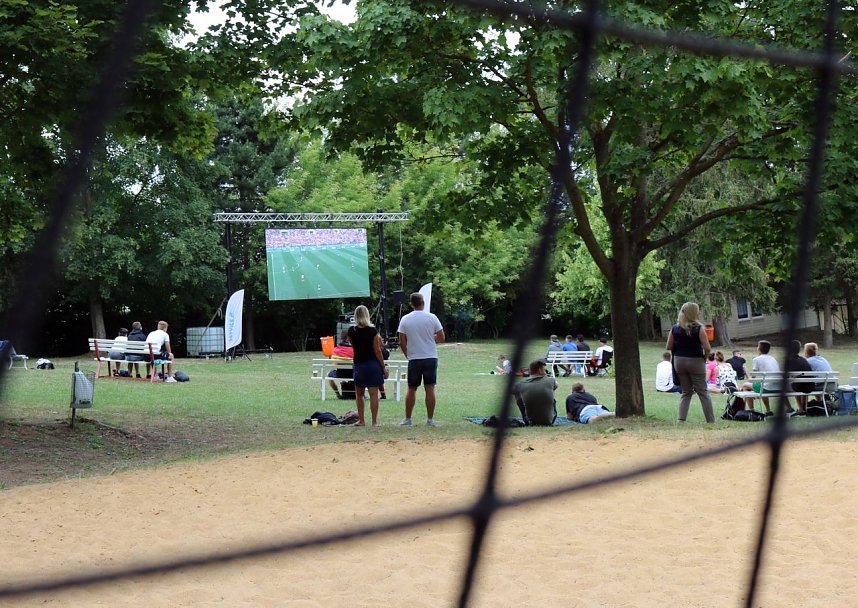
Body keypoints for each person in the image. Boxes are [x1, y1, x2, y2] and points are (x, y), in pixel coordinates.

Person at [397, 292, 445, 427]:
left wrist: (408, 355)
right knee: (430, 388)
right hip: (430, 357)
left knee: (411, 388)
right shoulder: (432, 317)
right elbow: (442, 338)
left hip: (414, 358)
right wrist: (432, 338)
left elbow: (402, 341)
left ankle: (408, 419)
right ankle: (430, 420)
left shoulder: (405, 319)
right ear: (423, 303)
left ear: (411, 304)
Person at [666, 302, 715, 423]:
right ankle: (710, 420)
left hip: (679, 361)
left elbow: (668, 346)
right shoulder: (699, 328)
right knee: (702, 391)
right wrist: (704, 358)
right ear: (694, 313)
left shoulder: (675, 328)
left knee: (686, 392)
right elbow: (707, 348)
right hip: (695, 361)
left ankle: (681, 420)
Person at [347, 305, 387, 427]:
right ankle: (374, 422)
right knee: (373, 394)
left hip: (359, 364)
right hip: (372, 364)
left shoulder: (352, 331)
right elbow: (377, 350)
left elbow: (353, 345)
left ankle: (362, 420)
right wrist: (383, 367)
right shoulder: (372, 331)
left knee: (359, 394)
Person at [741, 340, 780, 417]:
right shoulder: (773, 359)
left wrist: (748, 377)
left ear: (758, 349)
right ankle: (768, 410)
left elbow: (753, 377)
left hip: (767, 388)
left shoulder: (757, 359)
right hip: (778, 387)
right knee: (762, 384)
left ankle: (752, 411)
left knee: (745, 385)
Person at [512, 359, 558, 426]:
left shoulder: (520, 384)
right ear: (539, 370)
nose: (545, 370)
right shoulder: (551, 380)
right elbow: (556, 386)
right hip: (550, 421)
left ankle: (529, 416)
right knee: (551, 390)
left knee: (518, 393)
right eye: (544, 368)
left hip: (530, 422)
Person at [786, 339, 813, 417]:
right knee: (798, 383)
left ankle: (790, 409)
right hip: (809, 387)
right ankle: (802, 409)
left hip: (799, 387)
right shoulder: (804, 360)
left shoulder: (789, 361)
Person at [328, 330, 356, 400]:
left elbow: (333, 363)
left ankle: (337, 394)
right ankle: (361, 394)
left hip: (340, 374)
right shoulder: (355, 350)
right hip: (353, 374)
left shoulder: (335, 350)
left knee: (329, 375)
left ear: (341, 338)